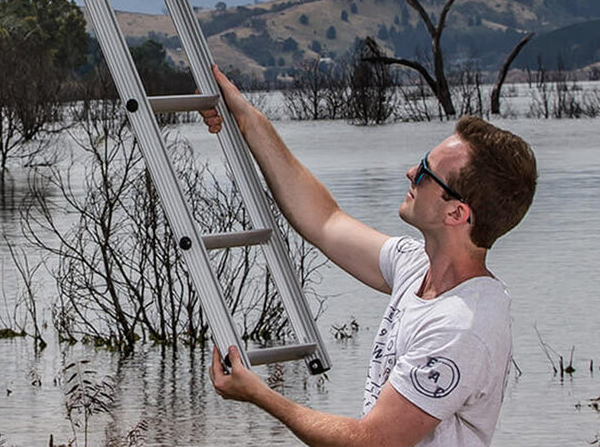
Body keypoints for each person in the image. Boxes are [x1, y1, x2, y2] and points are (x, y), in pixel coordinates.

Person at [201, 65, 537, 446]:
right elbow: (324, 220)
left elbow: (370, 442)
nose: (411, 172)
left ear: (456, 213)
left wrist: (259, 394)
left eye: (427, 171)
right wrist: (247, 118)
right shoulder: (415, 267)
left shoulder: (461, 328)